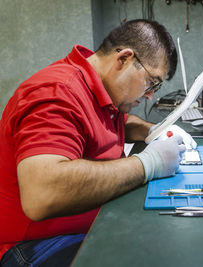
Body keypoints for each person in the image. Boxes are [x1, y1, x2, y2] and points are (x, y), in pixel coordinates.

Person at [0, 19, 189, 266]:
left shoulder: (100, 87)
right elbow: (42, 195)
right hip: (33, 246)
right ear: (124, 59)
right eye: (152, 82)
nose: (151, 94)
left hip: (82, 226)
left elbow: (116, 121)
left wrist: (154, 130)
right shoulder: (55, 93)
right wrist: (148, 163)